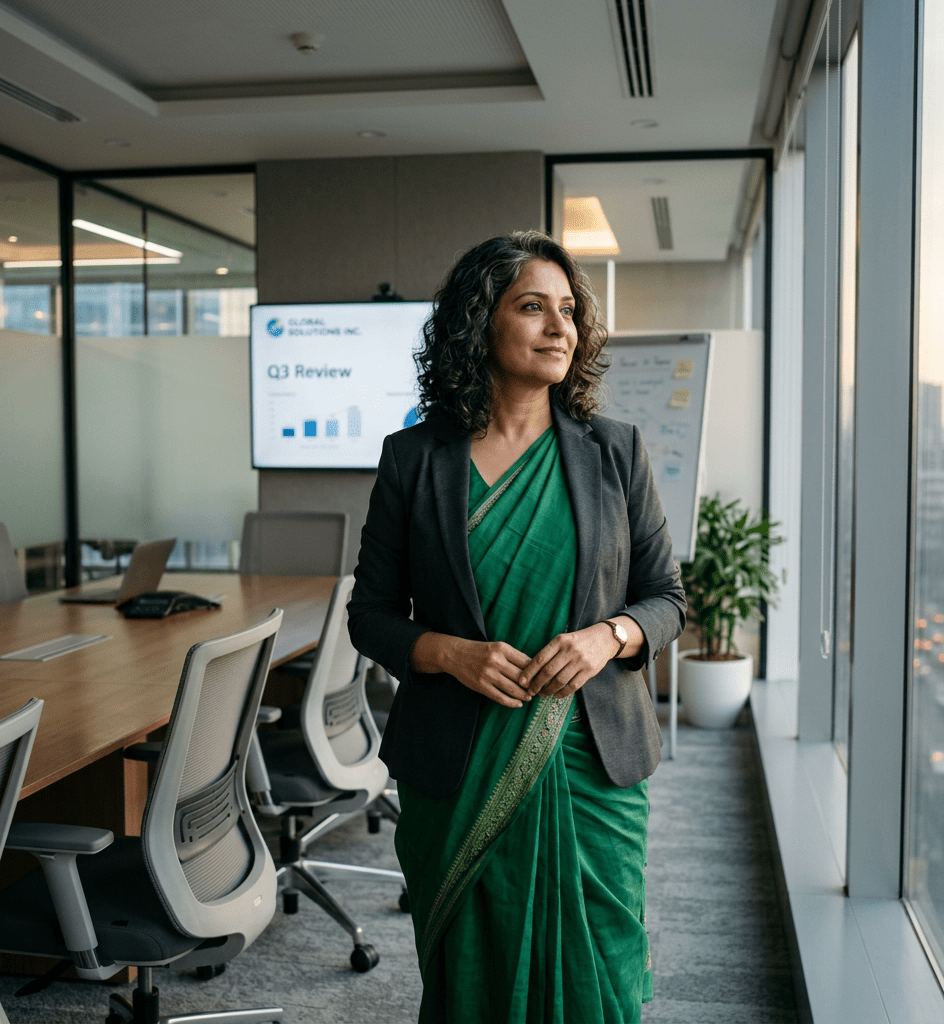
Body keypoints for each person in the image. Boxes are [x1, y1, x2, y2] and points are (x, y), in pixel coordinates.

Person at [347, 230, 686, 1024]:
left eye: (568, 310)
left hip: (589, 759)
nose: (559, 326)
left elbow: (665, 598)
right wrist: (446, 653)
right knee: (473, 970)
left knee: (598, 961)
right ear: (480, 321)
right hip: (460, 758)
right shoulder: (414, 459)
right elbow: (369, 614)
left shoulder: (615, 452)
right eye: (533, 307)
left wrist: (610, 637)